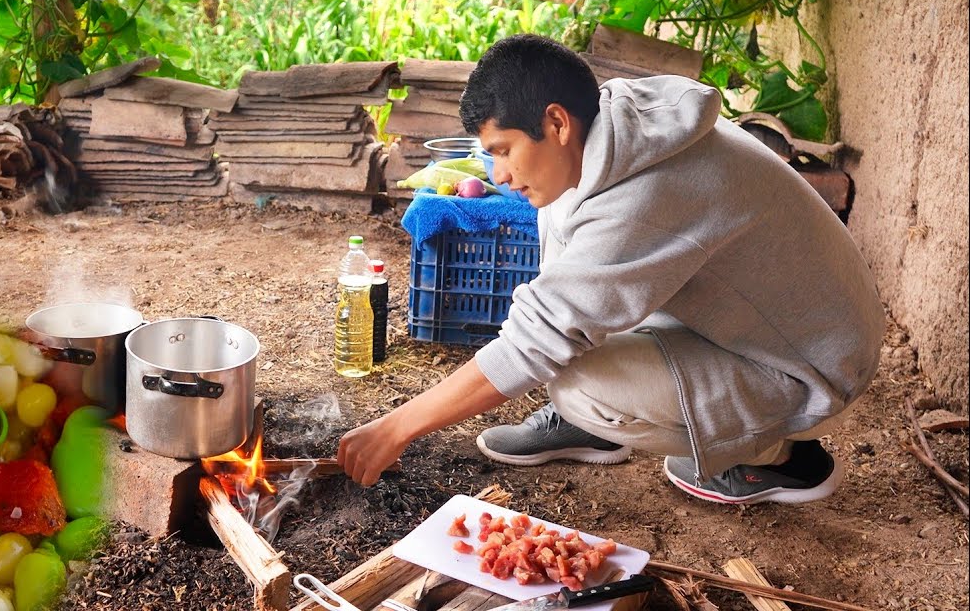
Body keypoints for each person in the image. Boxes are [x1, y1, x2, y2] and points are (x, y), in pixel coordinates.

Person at [338, 34, 885, 504]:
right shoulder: (609, 131)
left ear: (555, 121)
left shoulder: (648, 196)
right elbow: (562, 296)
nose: (499, 173)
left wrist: (396, 427)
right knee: (555, 220)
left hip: (811, 364)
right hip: (761, 321)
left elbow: (536, 343)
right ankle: (605, 429)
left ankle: (777, 456)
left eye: (503, 151)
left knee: (574, 381)